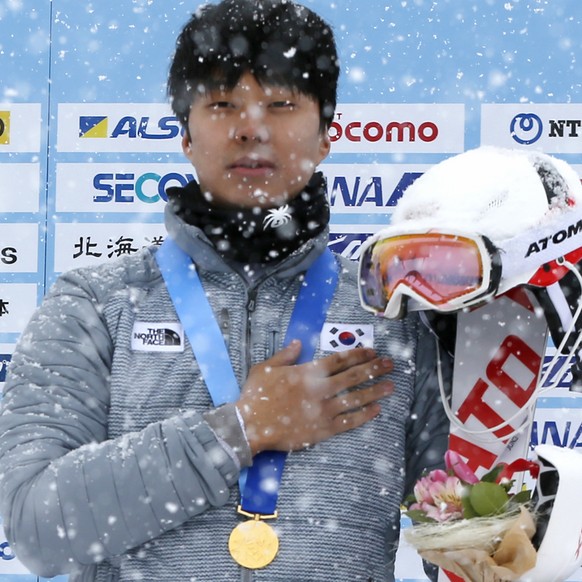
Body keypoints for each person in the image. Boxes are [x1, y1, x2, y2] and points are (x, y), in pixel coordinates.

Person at [0, 1, 448, 580]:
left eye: (282, 104)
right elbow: (36, 527)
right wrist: (240, 429)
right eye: (222, 105)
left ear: (327, 135)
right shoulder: (94, 304)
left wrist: (512, 345)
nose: (251, 128)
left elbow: (472, 530)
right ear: (186, 135)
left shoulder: (398, 311)